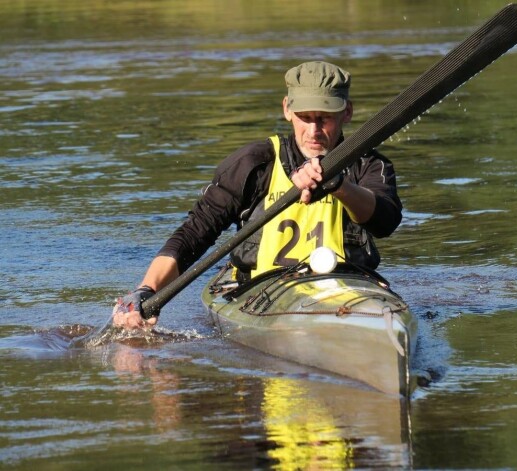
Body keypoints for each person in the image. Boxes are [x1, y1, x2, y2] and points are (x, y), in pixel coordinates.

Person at [113, 61, 402, 329]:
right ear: (287, 109)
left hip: (348, 290)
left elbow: (385, 221)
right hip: (263, 293)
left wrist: (339, 185)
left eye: (325, 118)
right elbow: (194, 234)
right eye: (304, 117)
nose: (314, 130)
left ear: (347, 112)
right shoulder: (254, 163)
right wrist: (146, 289)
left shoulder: (368, 164)